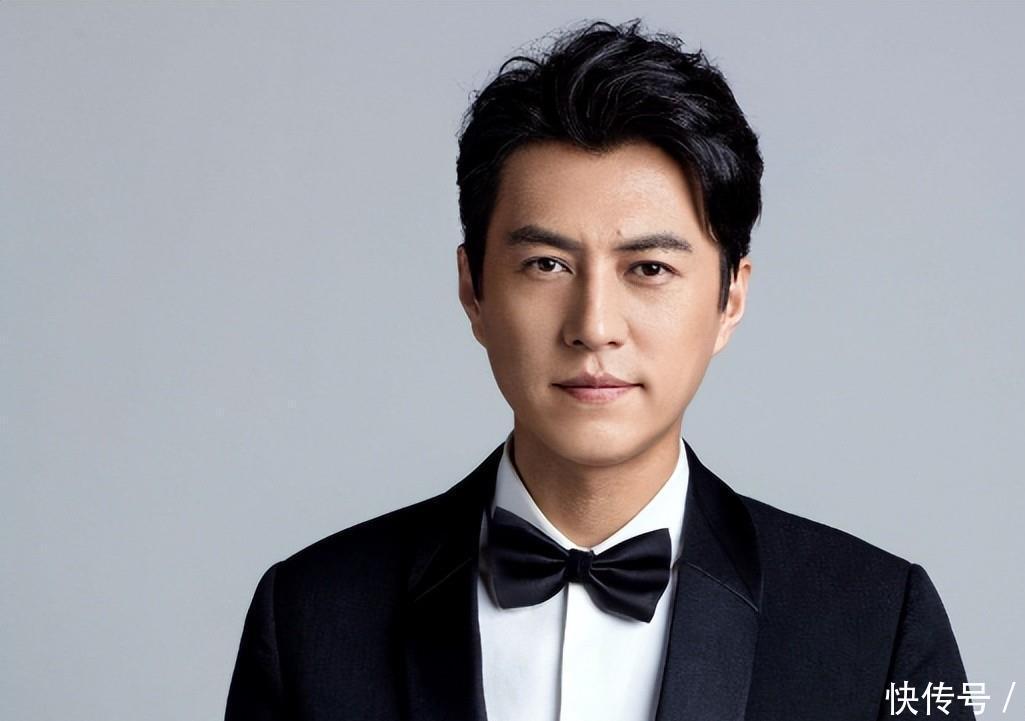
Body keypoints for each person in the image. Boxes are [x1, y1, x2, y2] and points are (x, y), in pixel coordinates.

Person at [225, 19, 973, 721]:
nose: (594, 326)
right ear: (473, 290)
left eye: (648, 268)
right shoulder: (310, 617)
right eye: (546, 264)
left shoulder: (876, 624)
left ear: (730, 297)